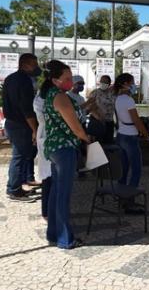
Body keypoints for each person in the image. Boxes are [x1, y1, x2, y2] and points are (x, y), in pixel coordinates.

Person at [41, 60, 90, 249]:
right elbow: (75, 126)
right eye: (67, 78)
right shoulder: (60, 97)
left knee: (55, 192)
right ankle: (65, 238)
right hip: (64, 148)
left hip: (54, 148)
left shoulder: (52, 94)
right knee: (63, 194)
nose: (71, 81)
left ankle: (53, 232)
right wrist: (86, 138)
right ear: (55, 80)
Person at [2, 53, 42, 202]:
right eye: (34, 64)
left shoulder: (10, 78)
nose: (36, 68)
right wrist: (34, 129)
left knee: (22, 155)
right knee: (19, 157)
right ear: (25, 64)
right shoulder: (24, 81)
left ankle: (19, 185)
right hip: (21, 124)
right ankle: (14, 190)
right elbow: (26, 108)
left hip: (12, 123)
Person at [114, 74, 148, 210]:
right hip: (130, 136)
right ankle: (129, 201)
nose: (134, 86)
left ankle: (121, 197)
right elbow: (135, 119)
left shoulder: (117, 98)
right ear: (126, 83)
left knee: (124, 168)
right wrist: (144, 132)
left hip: (121, 135)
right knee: (136, 169)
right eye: (133, 83)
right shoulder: (128, 100)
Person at [33, 87, 53, 220]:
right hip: (49, 137)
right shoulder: (50, 97)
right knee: (49, 177)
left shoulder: (40, 97)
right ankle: (48, 211)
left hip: (45, 136)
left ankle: (47, 210)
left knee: (48, 176)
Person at [89, 75, 115, 143]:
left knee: (108, 143)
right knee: (97, 144)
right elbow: (90, 108)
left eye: (105, 82)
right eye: (101, 81)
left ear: (109, 84)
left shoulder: (112, 94)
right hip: (97, 122)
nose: (103, 83)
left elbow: (115, 108)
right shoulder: (94, 93)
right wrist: (99, 118)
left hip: (109, 122)